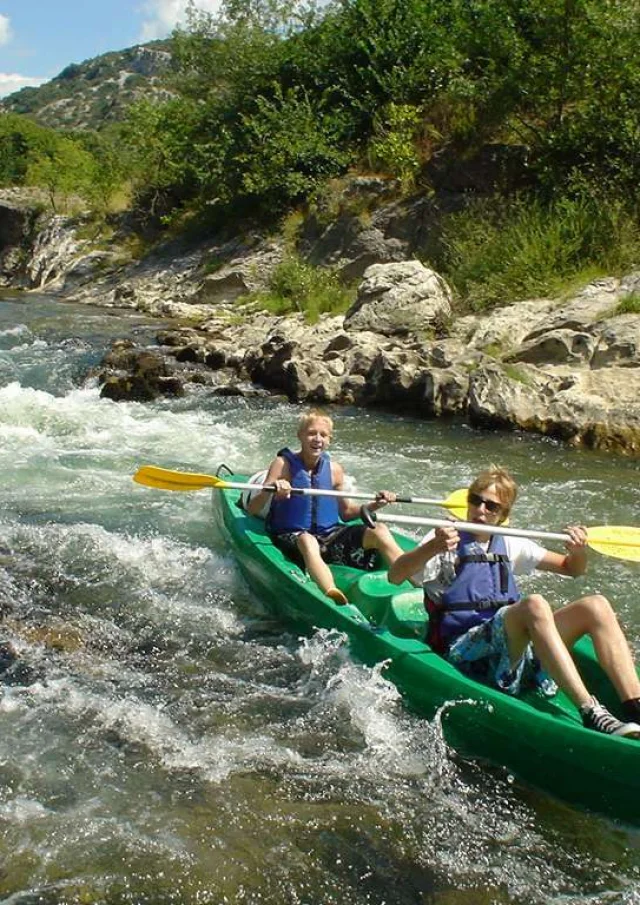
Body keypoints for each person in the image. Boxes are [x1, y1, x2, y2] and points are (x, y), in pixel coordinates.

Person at [388, 464, 640, 739]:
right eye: (476, 500)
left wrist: (578, 551)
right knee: (535, 605)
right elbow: (395, 576)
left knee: (597, 605)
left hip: (513, 650)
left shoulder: (510, 543)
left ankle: (635, 706)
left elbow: (572, 568)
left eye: (491, 506)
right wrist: (431, 547)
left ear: (503, 516)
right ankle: (592, 712)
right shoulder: (444, 539)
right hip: (467, 653)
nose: (481, 510)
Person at [247, 409, 404, 605]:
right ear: (300, 436)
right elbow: (252, 509)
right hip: (293, 536)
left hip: (329, 535)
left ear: (329, 440)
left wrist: (376, 504)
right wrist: (271, 489)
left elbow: (346, 513)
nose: (317, 439)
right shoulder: (282, 464)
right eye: (312, 433)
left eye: (323, 435)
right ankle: (331, 592)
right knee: (307, 540)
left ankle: (412, 577)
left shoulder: (335, 470)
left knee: (379, 530)